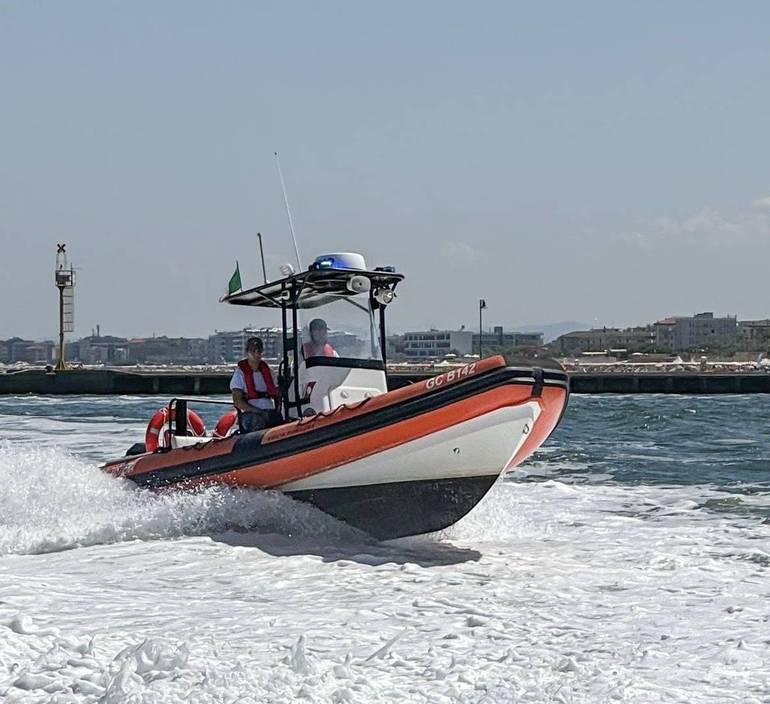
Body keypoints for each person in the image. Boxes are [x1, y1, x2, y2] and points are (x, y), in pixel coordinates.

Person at [230, 337, 282, 433]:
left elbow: (277, 394)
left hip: (270, 411)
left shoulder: (269, 372)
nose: (256, 353)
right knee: (257, 422)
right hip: (251, 414)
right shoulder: (240, 373)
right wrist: (259, 412)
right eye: (253, 350)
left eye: (259, 350)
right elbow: (237, 401)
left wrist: (278, 410)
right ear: (247, 352)